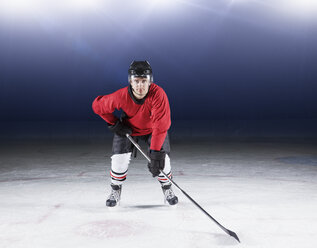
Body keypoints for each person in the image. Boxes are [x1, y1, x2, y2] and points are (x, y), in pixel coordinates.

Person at [92, 60, 178, 207]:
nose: (140, 86)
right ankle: (115, 189)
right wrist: (114, 123)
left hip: (153, 130)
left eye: (144, 81)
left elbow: (161, 125)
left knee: (164, 161)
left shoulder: (158, 95)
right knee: (118, 160)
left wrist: (156, 153)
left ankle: (167, 188)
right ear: (130, 81)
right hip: (128, 130)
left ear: (150, 81)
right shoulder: (121, 96)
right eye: (136, 81)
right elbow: (97, 106)